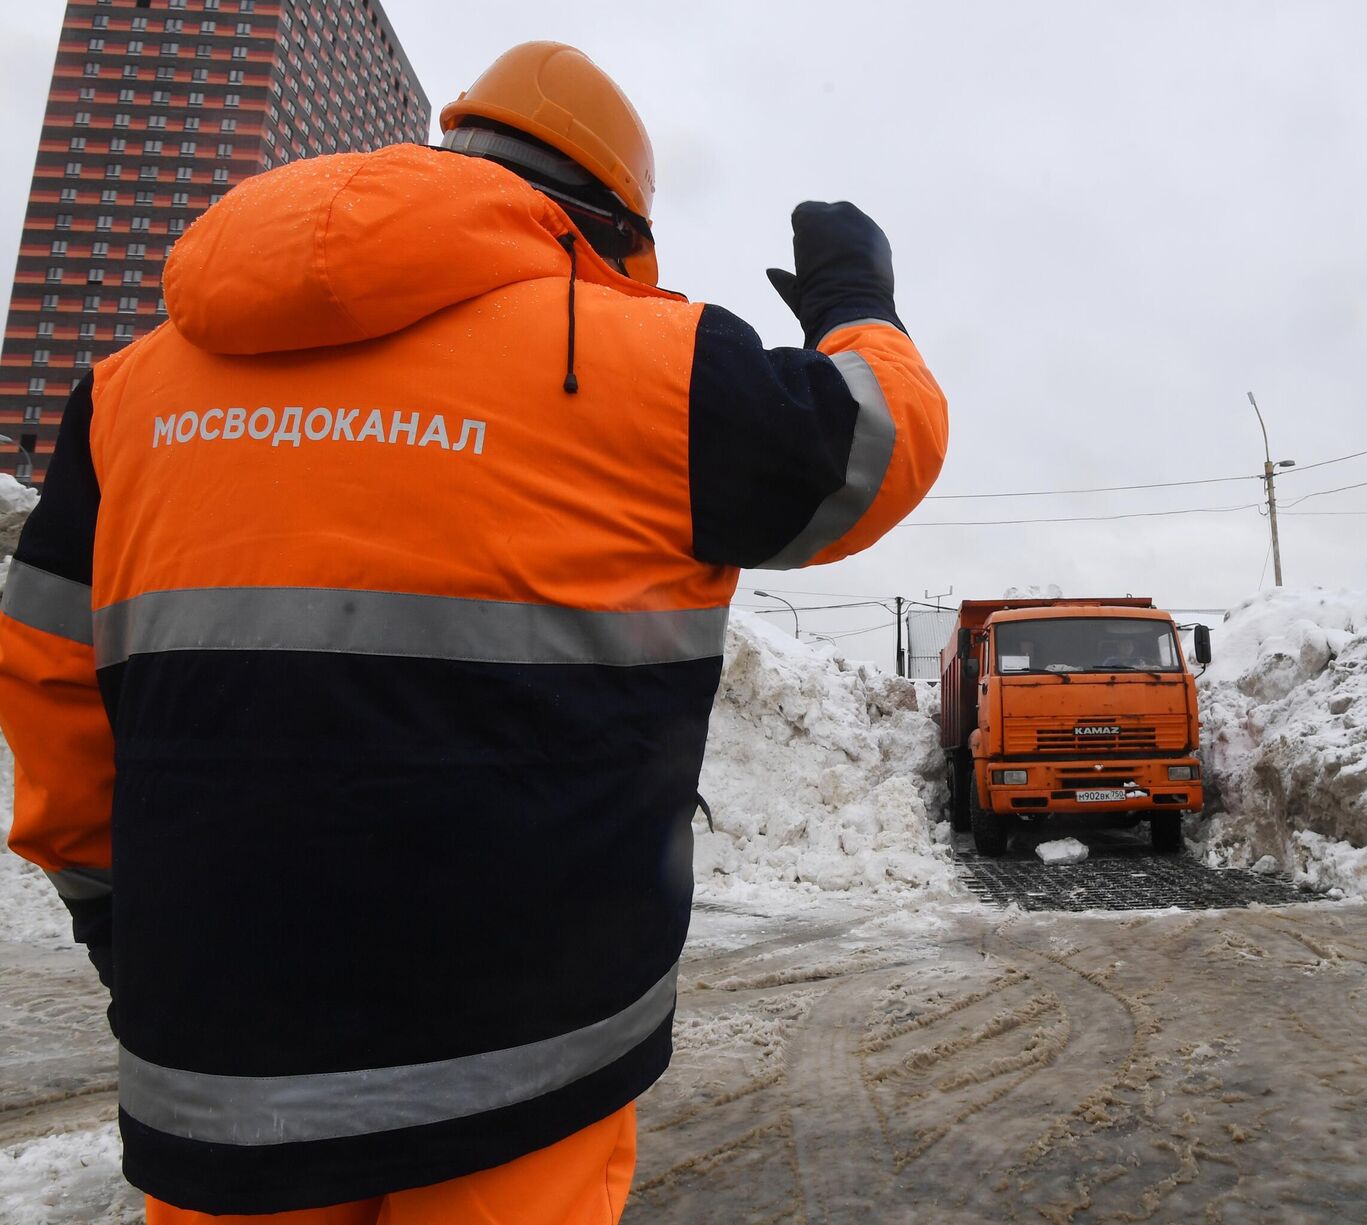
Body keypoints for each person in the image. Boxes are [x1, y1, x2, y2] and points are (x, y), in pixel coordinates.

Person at [0, 41, 945, 1224]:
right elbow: (876, 446)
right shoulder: (650, 366)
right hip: (526, 1056)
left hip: (221, 1051)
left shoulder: (128, 395)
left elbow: (46, 680)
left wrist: (111, 915)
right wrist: (858, 301)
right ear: (610, 225)